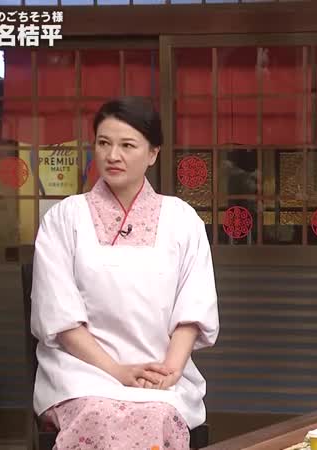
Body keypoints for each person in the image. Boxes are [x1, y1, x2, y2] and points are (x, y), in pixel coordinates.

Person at [30, 96, 219, 448]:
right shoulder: (64, 218)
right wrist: (116, 371)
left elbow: (193, 309)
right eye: (104, 143)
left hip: (159, 374)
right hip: (82, 375)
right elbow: (59, 316)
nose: (112, 155)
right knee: (99, 415)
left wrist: (169, 372)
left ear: (153, 153)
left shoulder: (182, 219)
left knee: (157, 414)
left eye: (127, 145)